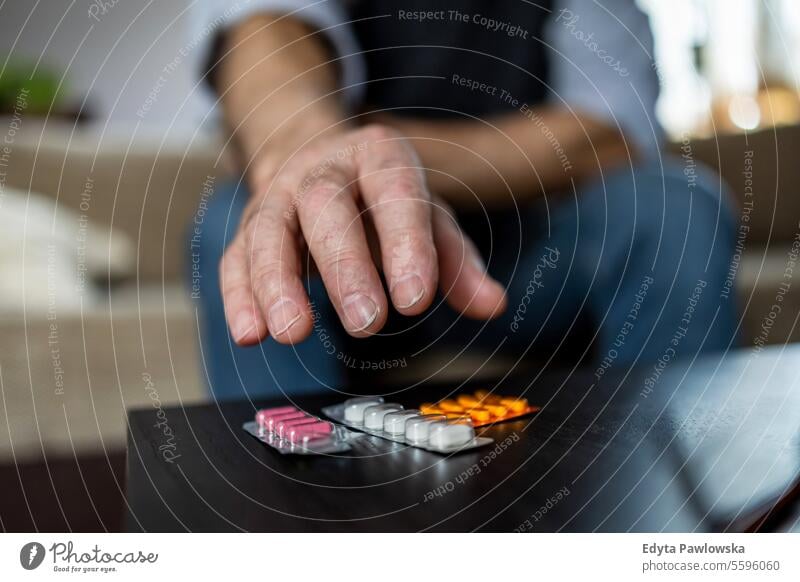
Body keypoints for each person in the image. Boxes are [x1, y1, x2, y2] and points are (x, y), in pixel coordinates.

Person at [189, 0, 737, 401]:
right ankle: (285, 506)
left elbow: (608, 134)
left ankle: (668, 503)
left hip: (527, 266)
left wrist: (377, 156)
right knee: (239, 218)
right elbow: (263, 37)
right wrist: (309, 152)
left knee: (679, 206)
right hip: (351, 275)